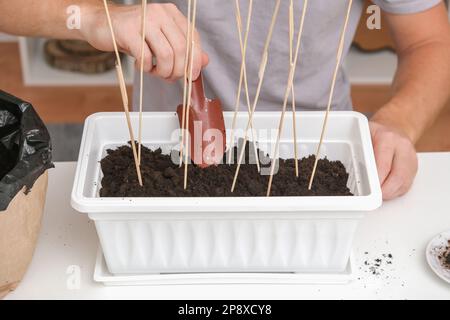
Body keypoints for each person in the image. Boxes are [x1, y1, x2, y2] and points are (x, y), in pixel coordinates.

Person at [1, 0, 449, 200]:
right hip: (164, 151)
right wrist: (93, 16)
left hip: (312, 153)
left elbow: (431, 42)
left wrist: (398, 123)